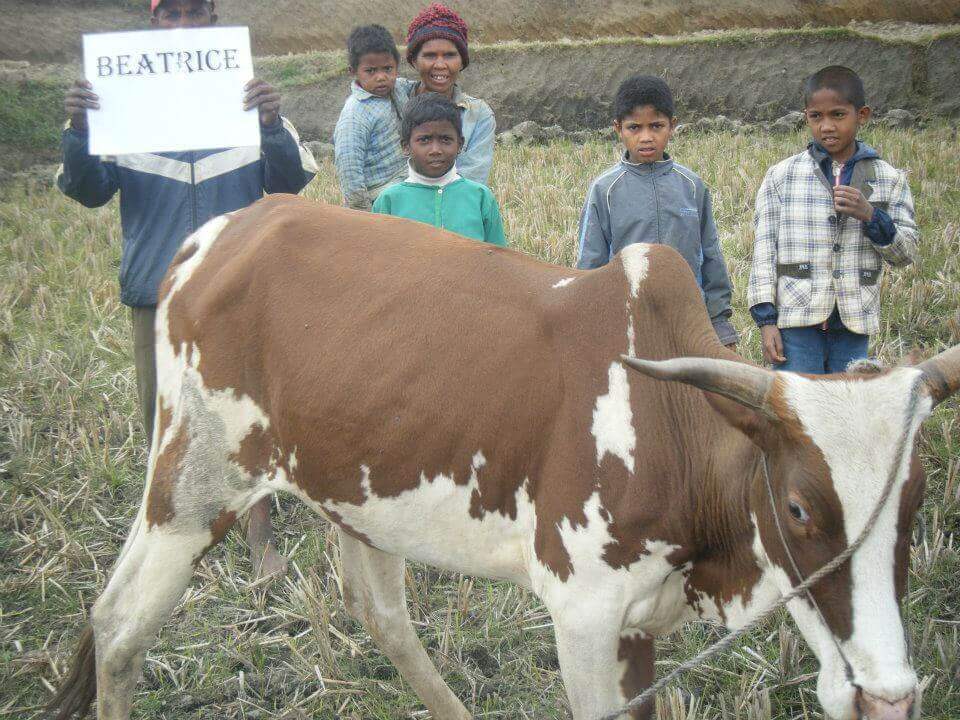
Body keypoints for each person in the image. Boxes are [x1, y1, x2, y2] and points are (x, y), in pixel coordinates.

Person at [57, 0, 317, 579]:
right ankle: (174, 535)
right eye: (168, 13)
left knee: (249, 409)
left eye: (193, 11)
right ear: (154, 24)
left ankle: (258, 532)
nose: (180, 24)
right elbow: (87, 189)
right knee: (166, 414)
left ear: (212, 18)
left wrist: (270, 125)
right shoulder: (121, 106)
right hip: (156, 288)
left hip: (238, 289)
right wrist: (79, 132)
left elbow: (291, 180)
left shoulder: (245, 96)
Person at [747, 65, 918, 374]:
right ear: (806, 117)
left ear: (862, 115)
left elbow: (905, 254)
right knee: (799, 410)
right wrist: (766, 321)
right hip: (797, 319)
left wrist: (870, 215)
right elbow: (763, 252)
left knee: (847, 407)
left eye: (838, 115)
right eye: (816, 117)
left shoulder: (888, 179)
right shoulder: (781, 176)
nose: (826, 126)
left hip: (854, 321)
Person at [577, 75, 738, 349]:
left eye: (656, 126)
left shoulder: (691, 186)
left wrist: (719, 321)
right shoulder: (605, 190)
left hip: (687, 317)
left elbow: (710, 254)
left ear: (672, 126)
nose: (646, 137)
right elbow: (590, 263)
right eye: (634, 128)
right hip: (628, 320)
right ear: (618, 129)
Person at [373, 93, 506, 247]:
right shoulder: (389, 201)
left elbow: (499, 260)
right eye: (424, 140)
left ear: (460, 144)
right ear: (406, 146)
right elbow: (380, 260)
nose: (435, 150)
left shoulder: (480, 197)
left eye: (445, 139)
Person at [395, 3, 495, 186]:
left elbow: (472, 183)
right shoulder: (394, 97)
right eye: (430, 55)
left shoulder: (477, 114)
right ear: (413, 61)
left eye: (449, 55)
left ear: (462, 61)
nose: (440, 65)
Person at [333, 24, 406, 211]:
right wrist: (362, 213)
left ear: (397, 67)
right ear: (353, 72)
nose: (381, 77)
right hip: (378, 198)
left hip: (405, 186)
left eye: (388, 68)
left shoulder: (397, 89)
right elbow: (349, 167)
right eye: (371, 71)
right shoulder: (355, 115)